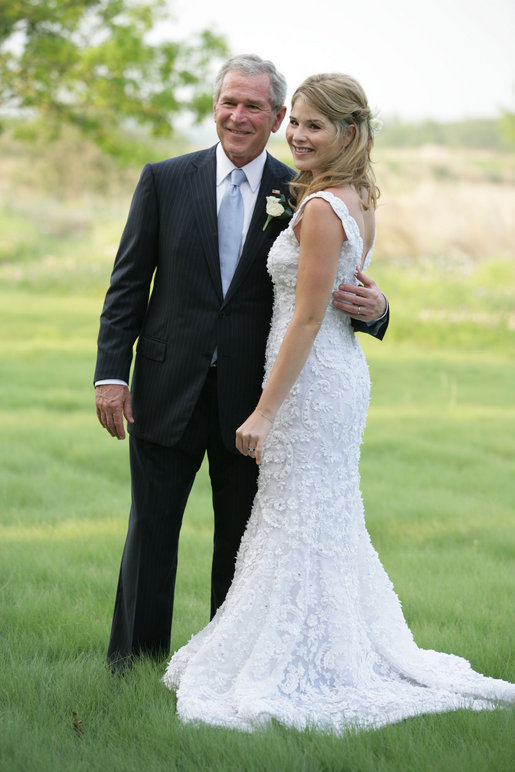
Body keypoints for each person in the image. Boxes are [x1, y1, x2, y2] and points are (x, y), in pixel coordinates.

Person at [163, 72, 514, 731]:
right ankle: (317, 646)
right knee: (309, 518)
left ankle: (305, 659)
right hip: (328, 373)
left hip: (310, 381)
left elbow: (304, 317)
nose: (296, 134)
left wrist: (264, 409)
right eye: (293, 121)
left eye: (312, 125)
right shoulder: (352, 196)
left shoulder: (322, 209)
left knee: (299, 518)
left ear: (347, 133)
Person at [95, 56, 389, 671]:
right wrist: (112, 375)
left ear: (276, 116)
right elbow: (128, 285)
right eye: (230, 102)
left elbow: (330, 290)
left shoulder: (304, 188)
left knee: (241, 542)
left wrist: (379, 308)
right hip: (167, 384)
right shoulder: (164, 180)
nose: (239, 115)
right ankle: (132, 665)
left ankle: (222, 666)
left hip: (255, 397)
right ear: (214, 106)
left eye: (255, 106)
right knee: (150, 534)